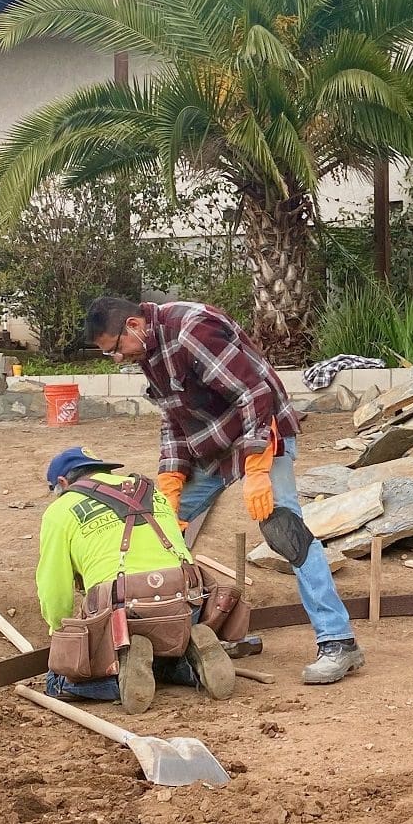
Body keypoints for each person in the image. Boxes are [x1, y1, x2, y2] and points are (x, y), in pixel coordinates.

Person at [83, 295, 365, 686]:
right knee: (162, 525)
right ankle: (191, 633)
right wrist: (171, 478)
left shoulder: (190, 329)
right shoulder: (149, 350)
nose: (116, 359)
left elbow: (254, 393)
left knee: (284, 531)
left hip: (262, 433)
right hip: (213, 445)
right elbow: (173, 420)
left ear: (133, 326)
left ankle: (338, 642)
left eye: (114, 349)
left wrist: (256, 465)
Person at [36, 445, 238, 715]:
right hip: (184, 599)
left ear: (62, 482)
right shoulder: (149, 490)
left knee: (57, 681)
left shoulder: (61, 510)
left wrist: (61, 636)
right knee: (164, 644)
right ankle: (188, 666)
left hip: (122, 609)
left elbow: (54, 589)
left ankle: (119, 679)